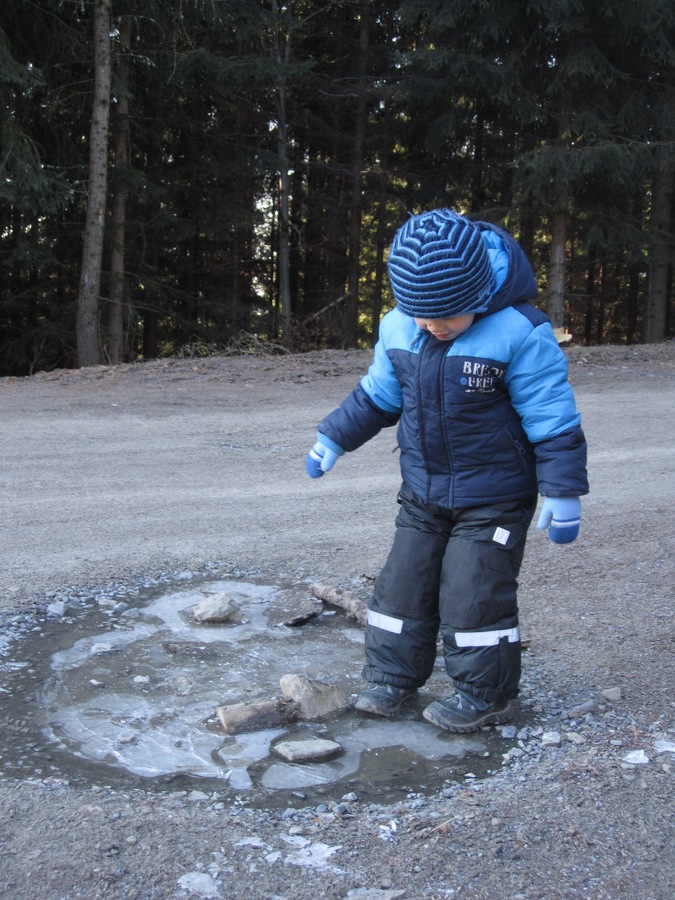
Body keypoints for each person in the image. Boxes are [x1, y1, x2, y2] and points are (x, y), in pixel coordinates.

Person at [305, 209, 588, 733]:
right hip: (423, 492)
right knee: (401, 586)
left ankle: (485, 694)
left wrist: (563, 489)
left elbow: (552, 417)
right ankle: (391, 677)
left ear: (479, 295)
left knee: (473, 592)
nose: (431, 327)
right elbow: (377, 396)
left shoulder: (520, 333)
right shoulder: (399, 329)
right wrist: (333, 437)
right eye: (420, 315)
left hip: (496, 496)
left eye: (447, 317)